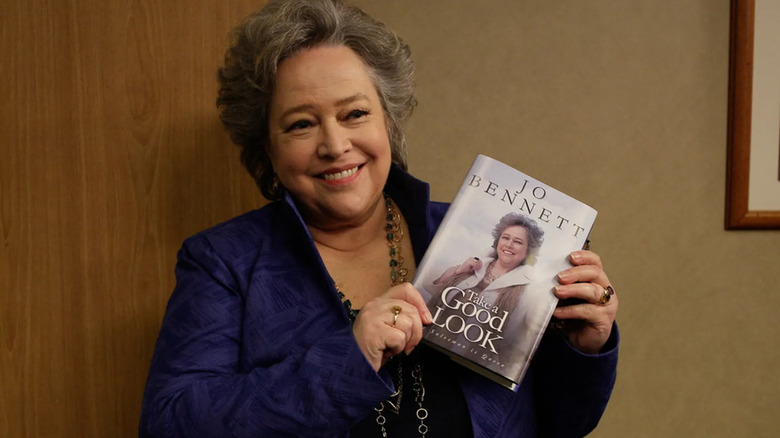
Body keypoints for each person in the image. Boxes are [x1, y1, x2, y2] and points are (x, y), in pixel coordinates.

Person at [139, 0, 619, 437]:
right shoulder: (223, 261)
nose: (334, 145)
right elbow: (170, 424)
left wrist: (584, 347)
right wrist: (350, 357)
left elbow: (560, 423)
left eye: (354, 114)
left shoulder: (462, 234)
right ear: (268, 145)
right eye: (301, 123)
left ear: (387, 121)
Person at [425, 213, 546, 373]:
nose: (509, 245)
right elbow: (431, 289)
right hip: (427, 349)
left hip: (472, 371)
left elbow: (517, 343)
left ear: (528, 250)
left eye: (517, 242)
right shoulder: (474, 263)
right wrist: (459, 270)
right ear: (498, 240)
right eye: (505, 238)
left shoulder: (528, 290)